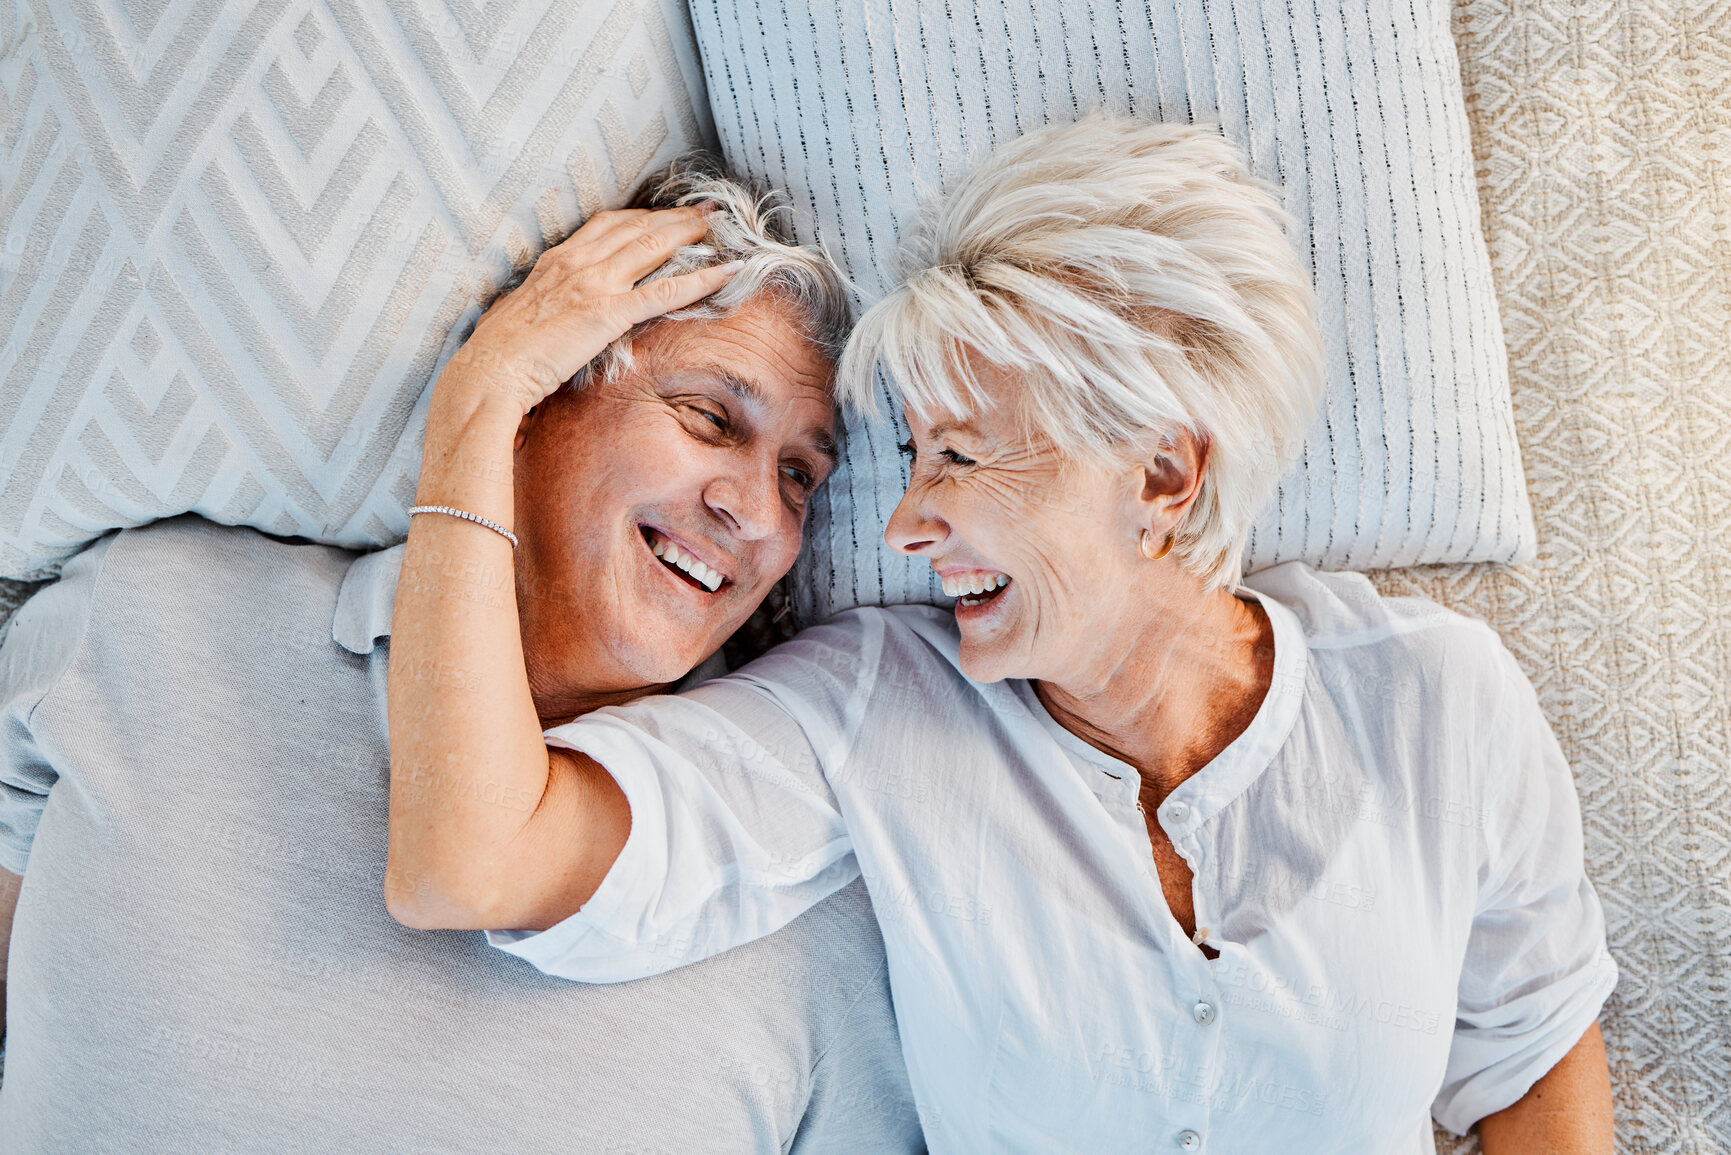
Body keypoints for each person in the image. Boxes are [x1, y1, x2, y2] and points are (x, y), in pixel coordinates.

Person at [385, 114, 1619, 1154]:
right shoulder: (876, 705)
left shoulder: (1436, 698)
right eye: (913, 460)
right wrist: (484, 401)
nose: (910, 522)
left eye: (964, 458)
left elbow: (1530, 1064)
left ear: (1165, 476)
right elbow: (471, 861)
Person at [0, 163, 925, 1152]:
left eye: (798, 476)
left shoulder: (814, 905)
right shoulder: (143, 625)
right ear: (542, 398)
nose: (754, 512)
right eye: (709, 418)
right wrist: (478, 394)